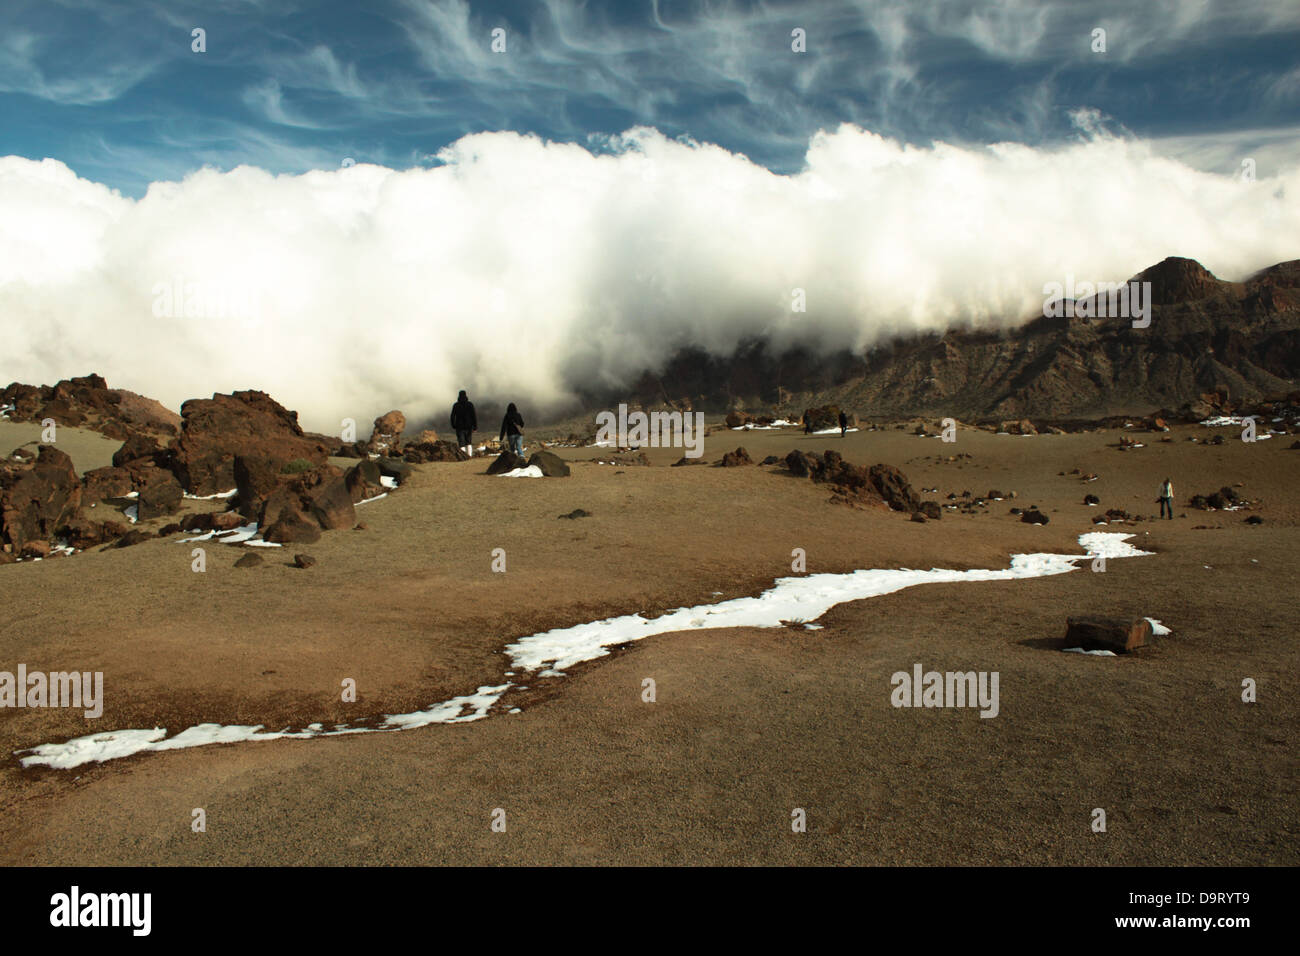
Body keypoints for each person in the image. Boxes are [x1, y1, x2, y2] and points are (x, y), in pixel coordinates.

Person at [451, 390, 477, 456]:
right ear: (466, 395)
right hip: (469, 426)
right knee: (468, 442)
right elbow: (473, 415)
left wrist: (453, 425)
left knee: (461, 442)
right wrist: (475, 426)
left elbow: (452, 416)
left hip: (459, 427)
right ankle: (469, 455)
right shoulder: (470, 404)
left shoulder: (456, 405)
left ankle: (463, 456)